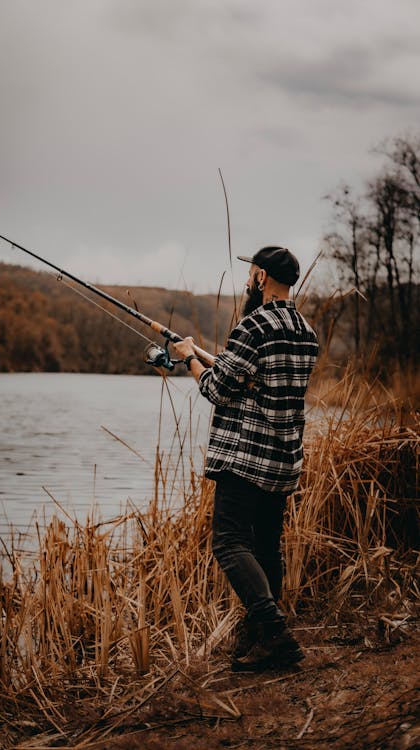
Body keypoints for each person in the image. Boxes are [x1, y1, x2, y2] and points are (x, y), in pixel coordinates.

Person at [173, 246, 319, 671]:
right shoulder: (306, 331)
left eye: (251, 272)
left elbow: (217, 390)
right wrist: (210, 358)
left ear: (260, 277)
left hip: (245, 458)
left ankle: (274, 632)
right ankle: (261, 641)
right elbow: (258, 382)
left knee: (230, 542)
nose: (248, 279)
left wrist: (188, 359)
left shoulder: (252, 326)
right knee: (267, 547)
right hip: (283, 458)